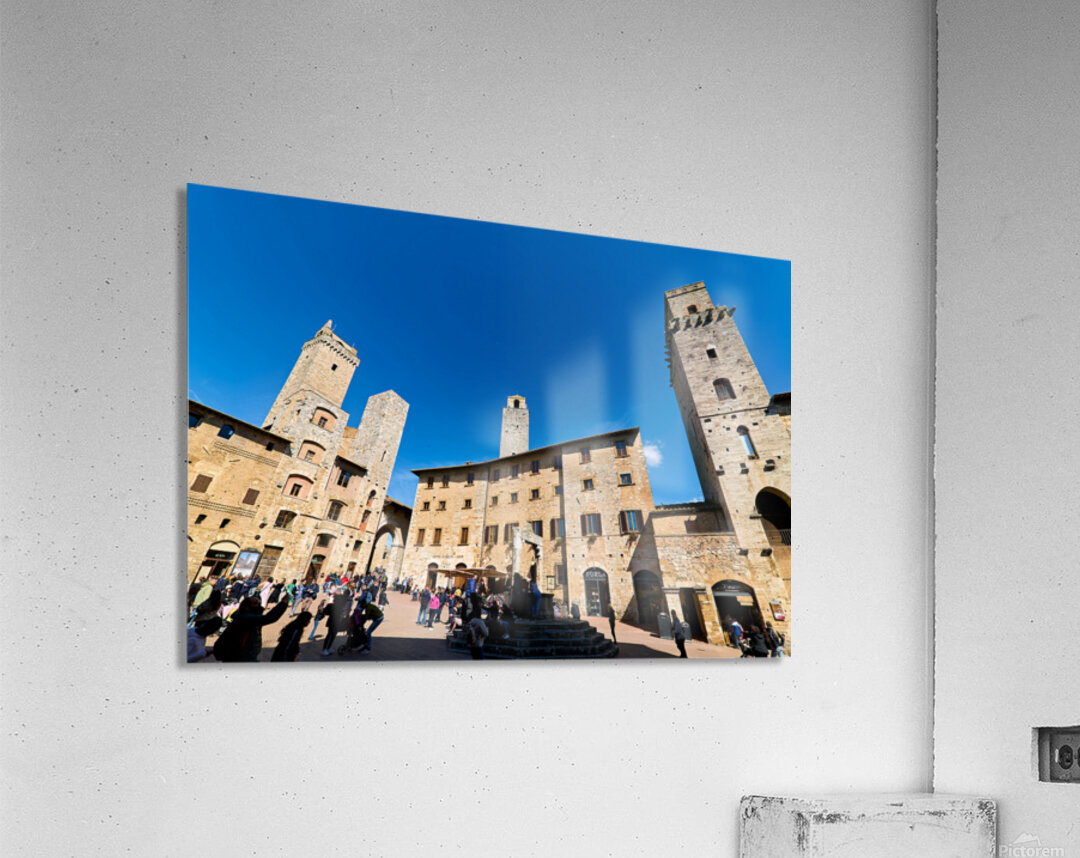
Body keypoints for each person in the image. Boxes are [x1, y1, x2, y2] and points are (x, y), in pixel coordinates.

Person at [212, 595, 290, 662]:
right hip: (240, 657)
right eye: (255, 603)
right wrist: (283, 603)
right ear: (247, 607)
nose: (258, 605)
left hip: (242, 656)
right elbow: (269, 618)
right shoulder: (246, 618)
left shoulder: (247, 617)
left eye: (259, 603)